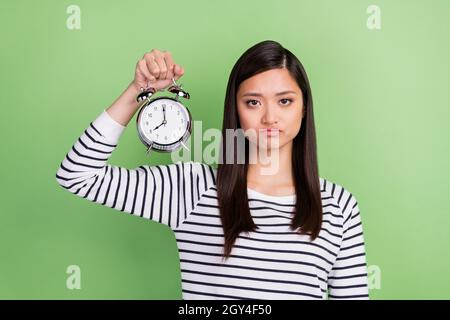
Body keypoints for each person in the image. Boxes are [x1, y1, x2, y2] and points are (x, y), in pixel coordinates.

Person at [55, 40, 369, 300]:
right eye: (254, 102)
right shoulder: (192, 188)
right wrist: (139, 91)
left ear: (304, 108)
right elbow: (78, 174)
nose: (270, 117)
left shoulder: (340, 206)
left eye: (285, 101)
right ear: (236, 110)